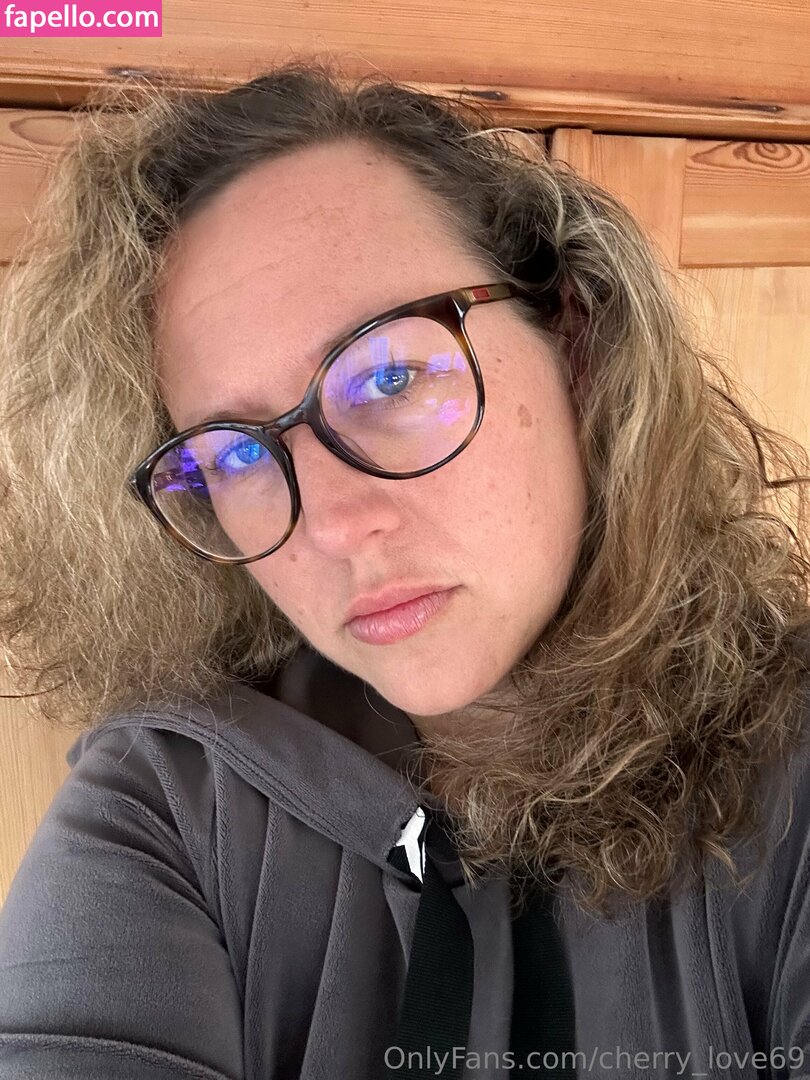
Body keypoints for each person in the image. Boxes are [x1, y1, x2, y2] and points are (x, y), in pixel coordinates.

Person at [0, 56, 809, 1080]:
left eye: (387, 376)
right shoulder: (167, 804)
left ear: (574, 338)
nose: (334, 527)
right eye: (234, 454)